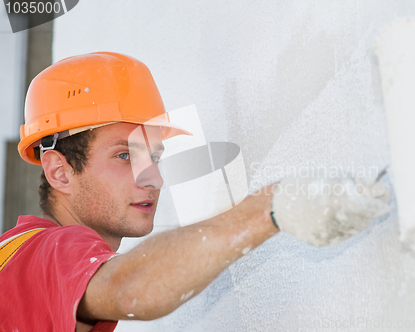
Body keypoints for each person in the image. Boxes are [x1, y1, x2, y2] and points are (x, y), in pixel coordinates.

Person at [0, 52, 390, 331]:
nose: (153, 178)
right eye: (124, 155)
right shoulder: (45, 251)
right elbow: (131, 288)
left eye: (154, 156)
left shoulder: (18, 260)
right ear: (60, 172)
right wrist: (273, 205)